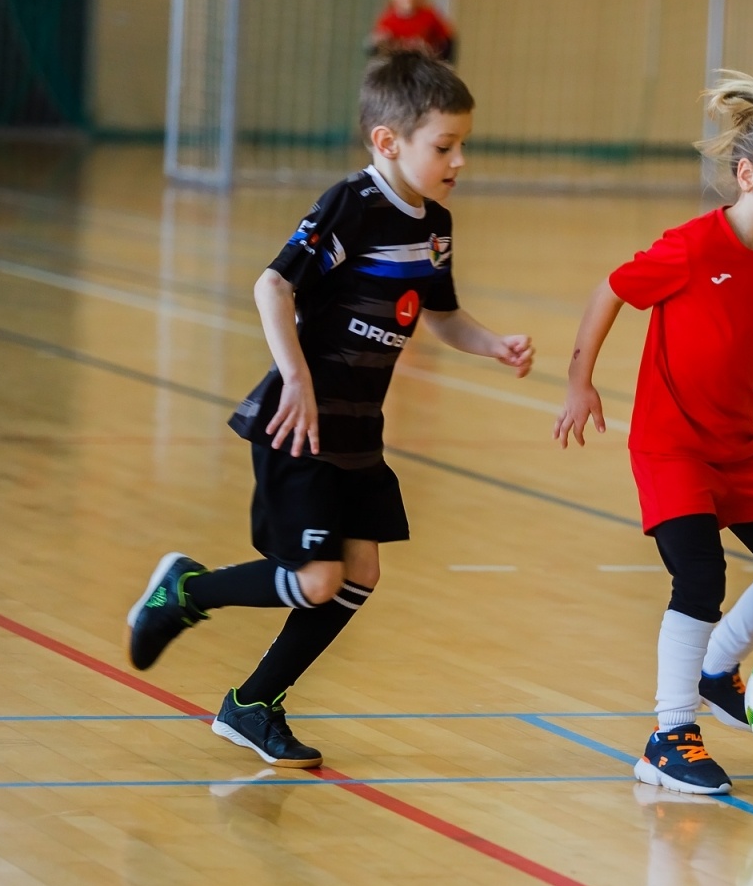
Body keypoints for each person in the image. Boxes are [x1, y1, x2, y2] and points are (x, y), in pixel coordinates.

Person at [125, 50, 533, 769]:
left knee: (360, 574)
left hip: (358, 431)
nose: (459, 160)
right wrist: (296, 377)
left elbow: (441, 314)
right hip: (301, 423)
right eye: (444, 146)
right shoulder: (353, 204)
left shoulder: (436, 224)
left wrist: (492, 343)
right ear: (387, 141)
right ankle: (186, 591)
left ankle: (253, 705)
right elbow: (272, 286)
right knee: (318, 580)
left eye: (463, 145)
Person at [554, 70, 753, 796]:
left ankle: (718, 670)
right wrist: (580, 381)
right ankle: (669, 736)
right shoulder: (692, 247)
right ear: (748, 176)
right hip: (671, 447)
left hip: (736, 448)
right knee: (700, 576)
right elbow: (611, 290)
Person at [370, 0, 455, 62]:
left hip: (424, 66)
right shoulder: (386, 19)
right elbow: (376, 48)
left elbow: (448, 42)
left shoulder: (430, 16)